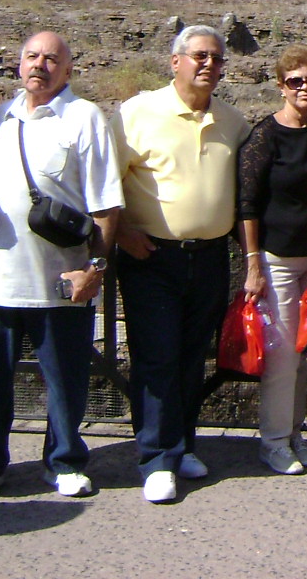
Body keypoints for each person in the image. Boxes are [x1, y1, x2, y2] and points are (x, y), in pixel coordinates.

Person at [0, 33, 122, 502]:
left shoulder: (84, 117)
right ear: (19, 65)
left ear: (68, 70)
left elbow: (106, 205)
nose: (40, 65)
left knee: (66, 378)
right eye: (32, 56)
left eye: (52, 59)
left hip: (61, 279)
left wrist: (94, 268)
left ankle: (65, 462)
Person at [111, 25, 251, 504]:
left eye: (217, 58)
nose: (209, 64)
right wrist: (122, 232)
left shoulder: (232, 121)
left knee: (192, 356)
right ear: (176, 62)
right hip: (151, 255)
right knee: (156, 356)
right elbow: (105, 181)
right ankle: (156, 458)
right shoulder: (137, 113)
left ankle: (182, 442)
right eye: (199, 56)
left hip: (209, 257)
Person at [236, 45, 307, 475]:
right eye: (295, 81)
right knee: (281, 358)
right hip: (276, 260)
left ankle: (294, 433)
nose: (304, 87)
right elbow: (247, 202)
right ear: (281, 86)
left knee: (305, 354)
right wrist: (252, 263)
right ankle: (273, 441)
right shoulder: (264, 136)